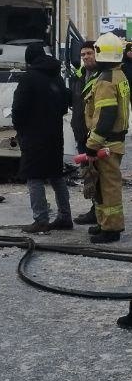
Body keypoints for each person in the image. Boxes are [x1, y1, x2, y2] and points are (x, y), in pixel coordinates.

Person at [12, 41, 72, 233]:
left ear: (28, 59)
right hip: (54, 133)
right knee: (56, 175)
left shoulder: (28, 78)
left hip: (33, 135)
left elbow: (19, 109)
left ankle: (41, 220)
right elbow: (64, 104)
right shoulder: (56, 75)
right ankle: (65, 217)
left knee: (34, 176)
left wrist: (20, 128)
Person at [83, 31, 129, 244]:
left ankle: (111, 229)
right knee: (101, 186)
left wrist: (93, 144)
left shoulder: (106, 80)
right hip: (112, 141)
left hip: (106, 143)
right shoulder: (119, 74)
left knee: (108, 188)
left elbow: (106, 114)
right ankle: (104, 222)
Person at [69, 42, 99, 225]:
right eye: (83, 54)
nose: (86, 57)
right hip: (81, 132)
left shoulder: (103, 75)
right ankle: (94, 210)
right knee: (88, 175)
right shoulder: (80, 75)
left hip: (96, 135)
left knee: (99, 176)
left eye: (89, 53)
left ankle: (99, 213)